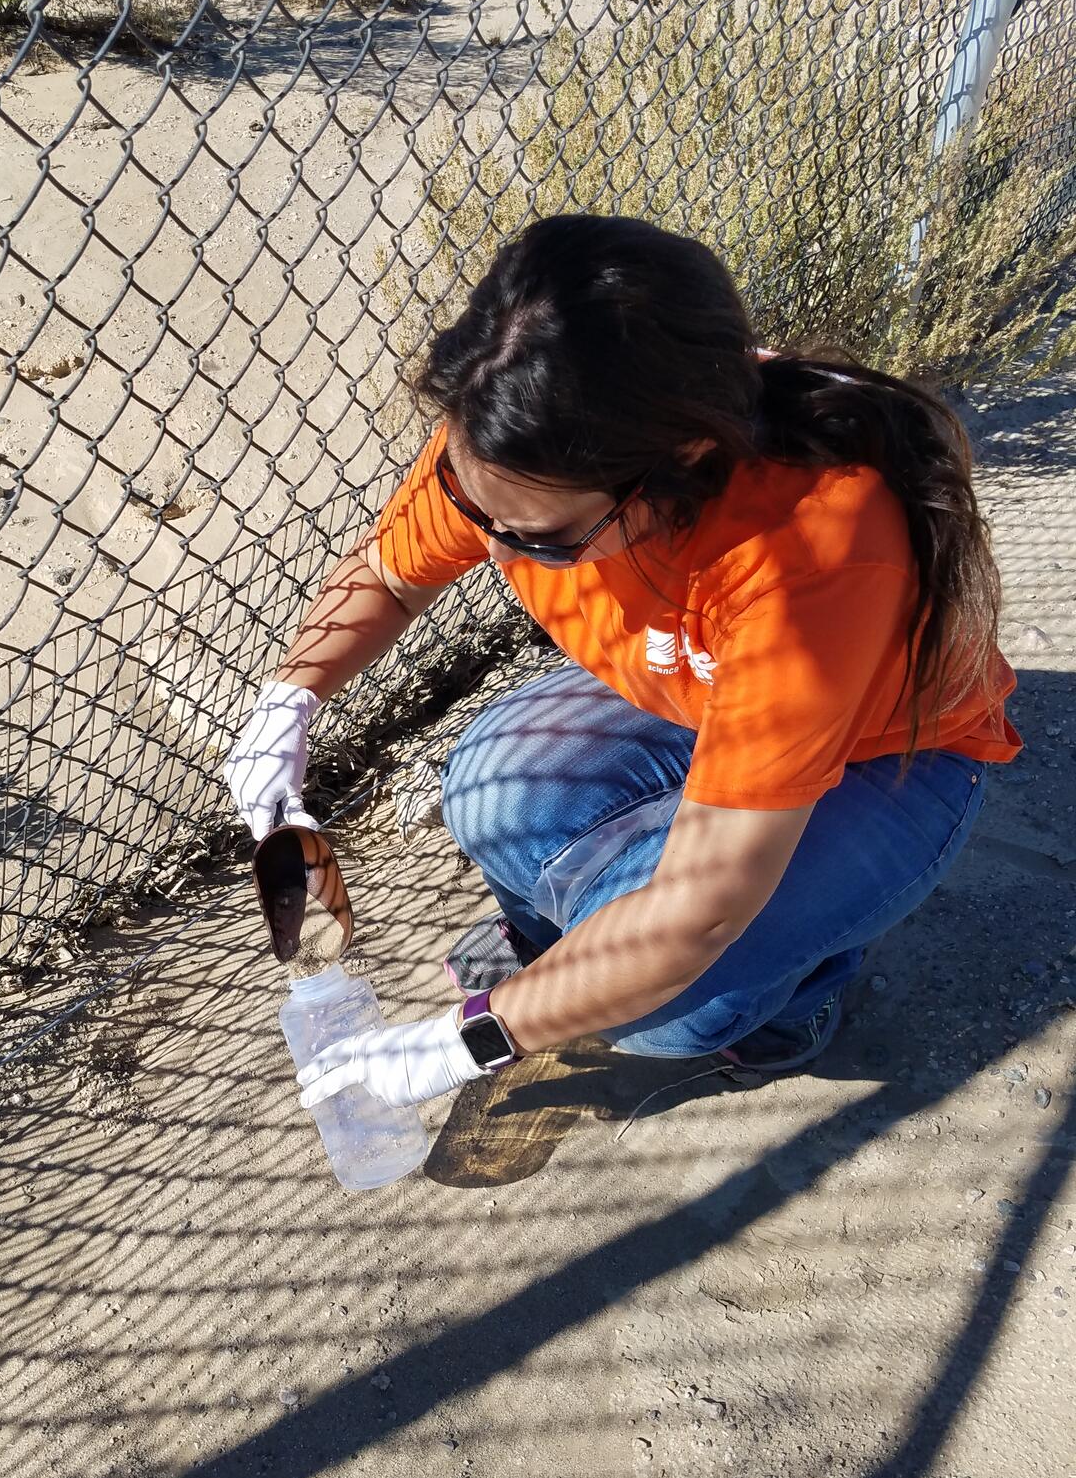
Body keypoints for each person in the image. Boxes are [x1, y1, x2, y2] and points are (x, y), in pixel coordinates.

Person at [224, 214, 1019, 1114]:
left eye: (544, 539)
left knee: (676, 998)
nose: (495, 545)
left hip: (895, 756)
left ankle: (798, 993)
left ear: (682, 463)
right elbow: (390, 574)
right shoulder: (513, 434)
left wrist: (470, 1041)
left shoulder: (810, 557)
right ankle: (552, 945)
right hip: (712, 701)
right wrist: (286, 702)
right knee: (489, 787)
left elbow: (697, 910)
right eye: (470, 505)